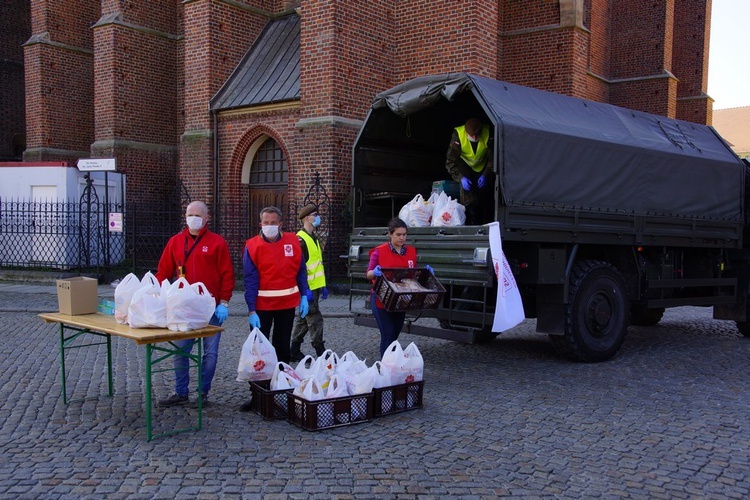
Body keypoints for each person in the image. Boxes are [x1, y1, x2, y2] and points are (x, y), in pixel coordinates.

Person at [155, 200, 235, 408]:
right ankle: (181, 392)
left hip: (210, 308)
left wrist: (224, 302)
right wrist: (156, 294)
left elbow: (227, 274)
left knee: (210, 353)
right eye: (190, 215)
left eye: (198, 215)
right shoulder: (175, 242)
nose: (194, 219)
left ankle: (203, 392)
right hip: (182, 308)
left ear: (207, 218)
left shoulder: (217, 242)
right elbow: (163, 271)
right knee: (180, 351)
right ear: (185, 216)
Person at [239, 206, 309, 411]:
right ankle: (257, 395)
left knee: (282, 349)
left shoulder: (294, 242)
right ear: (260, 224)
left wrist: (304, 295)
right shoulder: (252, 246)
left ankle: (282, 391)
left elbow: (301, 270)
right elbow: (250, 280)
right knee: (258, 353)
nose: (269, 226)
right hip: (261, 308)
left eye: (273, 222)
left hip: (286, 305)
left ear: (280, 224)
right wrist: (251, 310)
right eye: (265, 222)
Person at [366, 217, 433, 358]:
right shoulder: (379, 251)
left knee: (395, 334)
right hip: (381, 299)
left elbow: (412, 276)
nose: (402, 238)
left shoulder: (410, 252)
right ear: (390, 234)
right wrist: (375, 272)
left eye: (404, 234)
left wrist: (425, 273)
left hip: (400, 300)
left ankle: (392, 365)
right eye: (398, 234)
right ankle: (386, 367)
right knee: (388, 333)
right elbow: (368, 274)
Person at [290, 204, 329, 361]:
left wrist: (323, 286)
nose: (318, 217)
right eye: (315, 214)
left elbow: (317, 263)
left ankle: (293, 350)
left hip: (315, 286)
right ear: (307, 218)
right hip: (307, 288)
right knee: (315, 318)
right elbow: (298, 267)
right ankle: (320, 351)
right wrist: (304, 290)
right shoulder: (300, 239)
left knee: (303, 319)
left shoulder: (314, 238)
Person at [445, 117, 494, 225]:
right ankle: (470, 223)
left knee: (484, 196)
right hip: (464, 165)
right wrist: (461, 178)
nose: (475, 137)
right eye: (472, 135)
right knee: (468, 198)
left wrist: (486, 175)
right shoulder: (459, 134)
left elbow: (493, 159)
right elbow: (450, 161)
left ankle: (484, 222)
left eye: (477, 134)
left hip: (483, 166)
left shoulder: (488, 132)